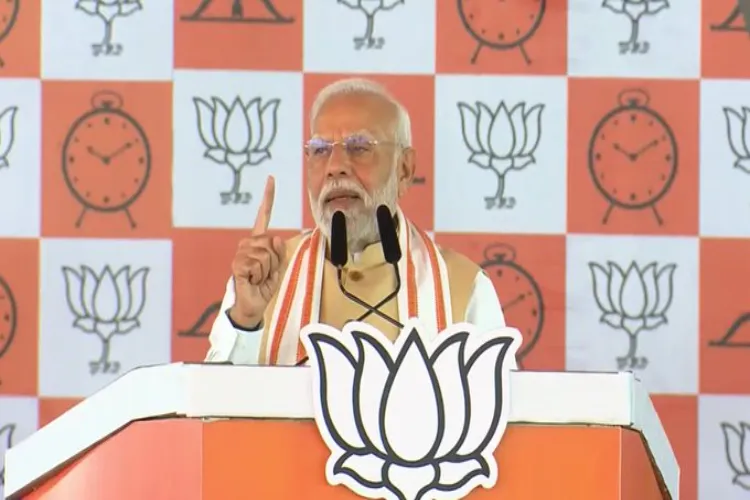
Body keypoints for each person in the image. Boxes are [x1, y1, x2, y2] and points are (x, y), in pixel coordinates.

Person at [204, 78, 507, 366]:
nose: (335, 167)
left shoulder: (465, 288)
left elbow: (500, 412)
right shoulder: (267, 274)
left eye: (359, 147)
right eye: (320, 150)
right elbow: (214, 409)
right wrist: (245, 318)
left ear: (404, 169)